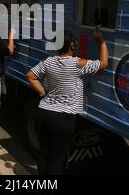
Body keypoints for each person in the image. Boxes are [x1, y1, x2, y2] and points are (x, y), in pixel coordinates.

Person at [26, 29, 109, 175]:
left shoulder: (48, 61)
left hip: (44, 112)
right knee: (57, 158)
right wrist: (101, 41)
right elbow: (103, 63)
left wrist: (42, 92)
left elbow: (30, 75)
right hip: (63, 118)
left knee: (44, 151)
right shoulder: (76, 64)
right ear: (72, 45)